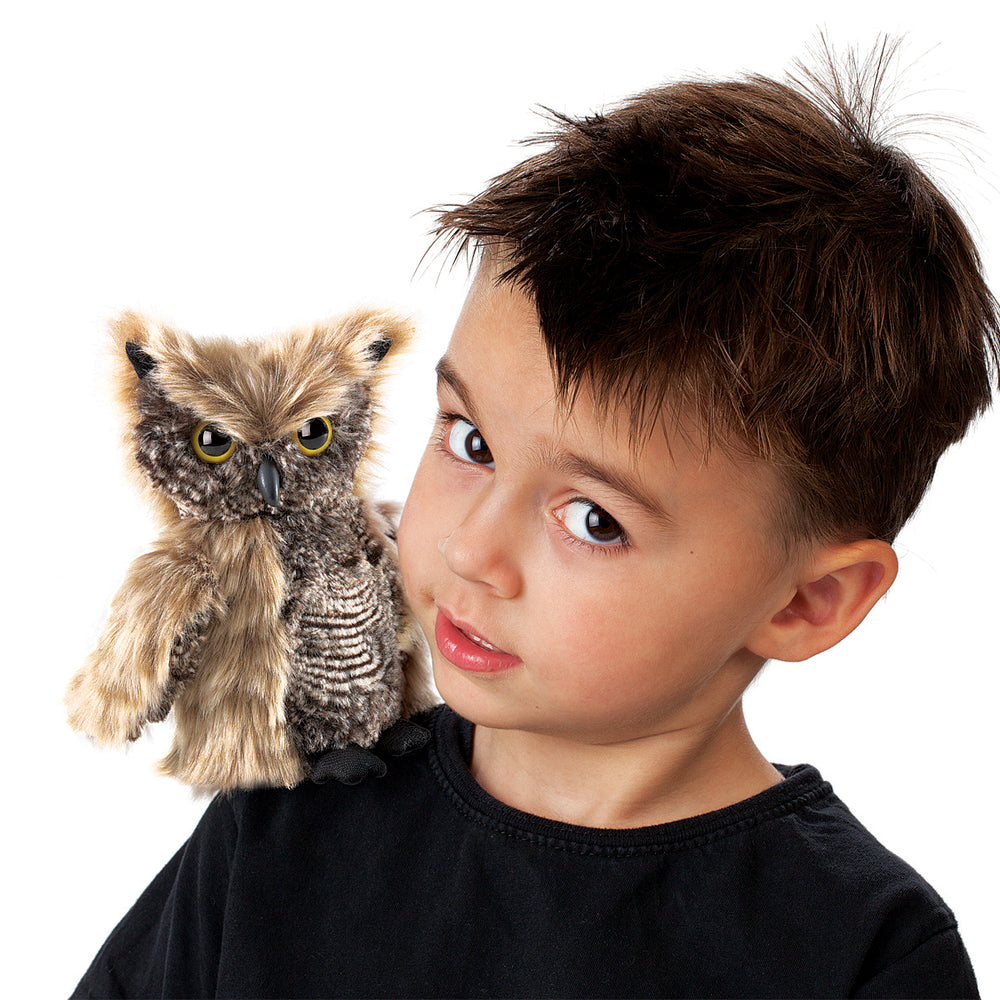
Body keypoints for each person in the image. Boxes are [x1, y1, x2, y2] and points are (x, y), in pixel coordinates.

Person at [72, 45, 994, 999]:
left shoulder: (863, 957)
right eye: (472, 442)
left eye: (593, 520)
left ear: (809, 602)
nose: (471, 549)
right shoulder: (283, 832)